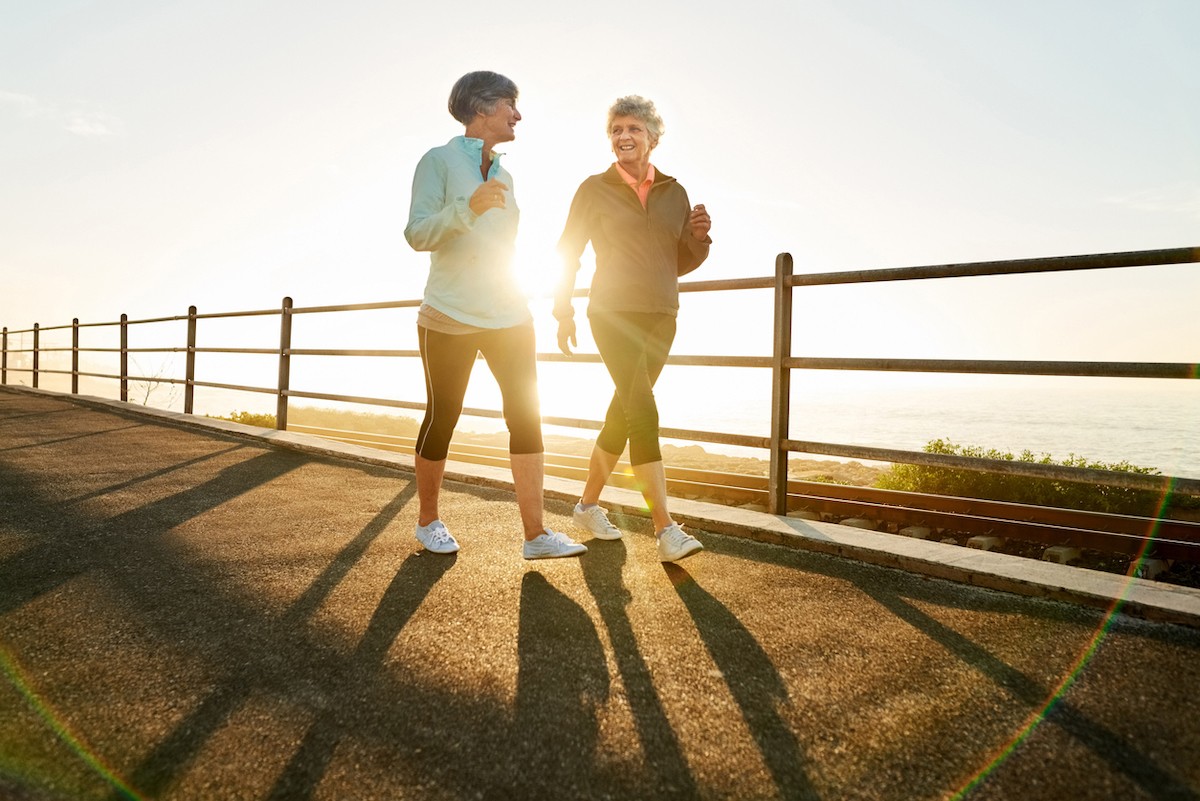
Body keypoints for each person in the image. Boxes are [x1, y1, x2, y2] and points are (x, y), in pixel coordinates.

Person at [404, 70, 586, 560]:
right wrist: (468, 207)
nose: (517, 115)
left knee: (527, 417)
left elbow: (501, 246)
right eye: (510, 104)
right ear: (482, 107)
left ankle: (536, 535)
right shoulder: (438, 161)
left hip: (509, 314)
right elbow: (418, 233)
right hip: (449, 313)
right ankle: (428, 521)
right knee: (444, 416)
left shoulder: (505, 175)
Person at [554, 95, 712, 562]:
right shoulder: (593, 189)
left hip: (662, 314)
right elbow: (568, 250)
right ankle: (665, 529)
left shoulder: (675, 193)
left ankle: (586, 505)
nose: (624, 136)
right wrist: (562, 308)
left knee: (623, 413)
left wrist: (699, 240)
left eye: (634, 129)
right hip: (612, 313)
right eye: (617, 129)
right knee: (643, 409)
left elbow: (678, 262)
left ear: (653, 139)